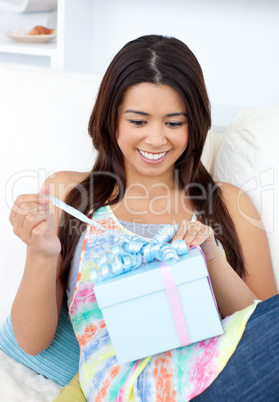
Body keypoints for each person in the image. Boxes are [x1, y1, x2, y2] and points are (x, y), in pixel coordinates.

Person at [9, 34, 278, 401]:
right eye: (138, 121)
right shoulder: (69, 196)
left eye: (173, 123)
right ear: (111, 120)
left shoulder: (228, 203)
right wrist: (41, 255)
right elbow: (31, 339)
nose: (155, 139)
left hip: (218, 379)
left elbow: (264, 330)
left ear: (194, 124)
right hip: (126, 390)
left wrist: (213, 259)